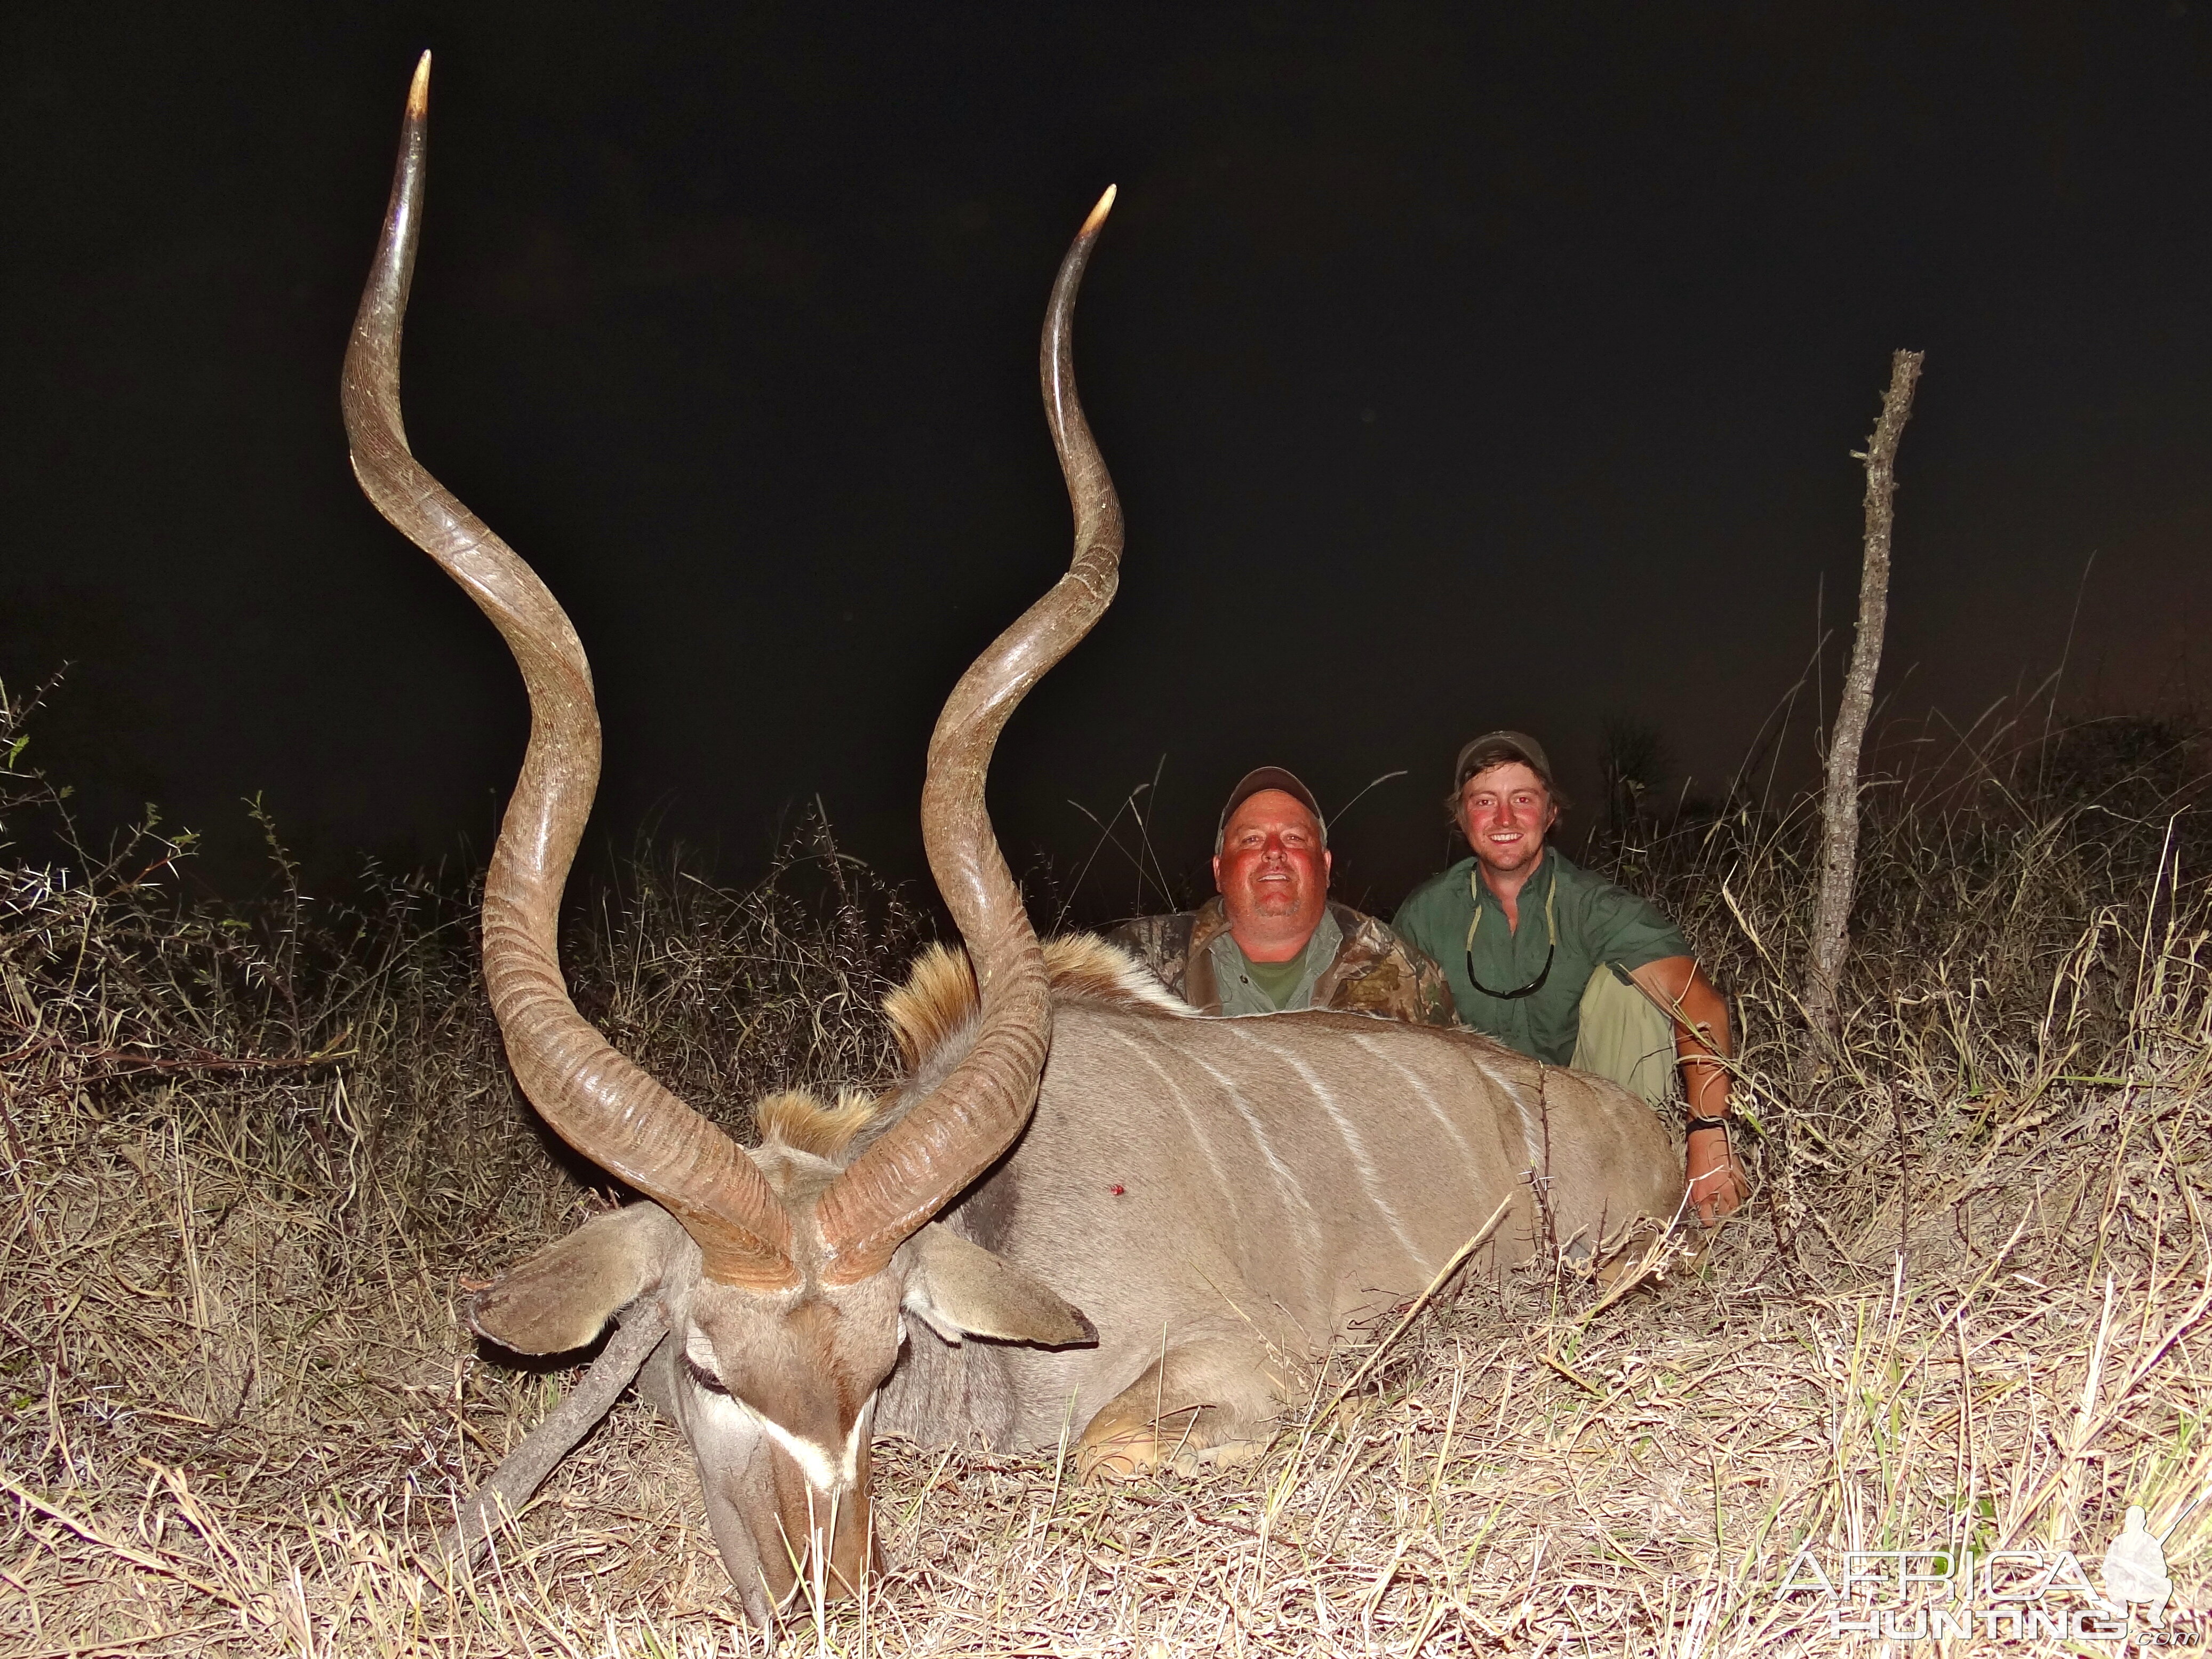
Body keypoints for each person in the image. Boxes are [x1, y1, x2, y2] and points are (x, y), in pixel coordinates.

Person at [1392, 732, 1748, 1221]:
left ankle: (1643, 1192)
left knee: (1626, 992)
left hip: (1594, 1114)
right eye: (1483, 802)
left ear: (1550, 813)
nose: (1503, 819)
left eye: (1522, 799)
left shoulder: (1594, 905)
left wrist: (1709, 1131)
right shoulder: (1424, 915)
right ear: (1461, 817)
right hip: (1480, 1127)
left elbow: (1700, 1003)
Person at [1109, 767, 1456, 1025]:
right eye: (1250, 840)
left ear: (1324, 865)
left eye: (1293, 838)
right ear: (1218, 871)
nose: (1273, 852)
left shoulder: (1402, 968)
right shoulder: (1135, 960)